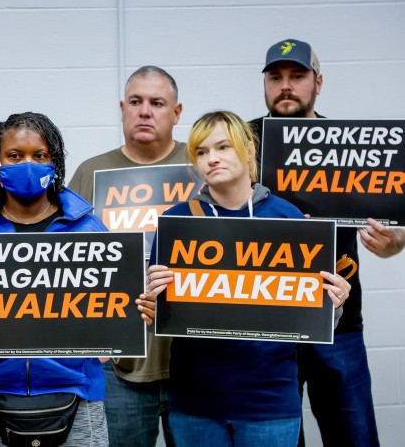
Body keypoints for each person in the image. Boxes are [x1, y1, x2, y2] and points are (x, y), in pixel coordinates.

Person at [0, 111, 160, 446]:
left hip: (77, 398)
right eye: (14, 156)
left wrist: (136, 319)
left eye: (39, 155)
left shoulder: (91, 230)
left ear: (55, 162)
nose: (27, 164)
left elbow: (114, 320)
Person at [147, 110, 351, 447]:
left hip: (269, 402)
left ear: (248, 150)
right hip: (195, 403)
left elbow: (315, 315)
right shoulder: (176, 221)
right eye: (202, 151)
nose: (212, 158)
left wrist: (335, 305)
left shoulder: (289, 217)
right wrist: (150, 302)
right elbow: (158, 315)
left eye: (223, 147)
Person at [249, 38, 404, 446]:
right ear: (264, 83)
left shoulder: (347, 142)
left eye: (297, 77)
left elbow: (394, 221)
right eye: (276, 77)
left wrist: (394, 243)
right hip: (264, 319)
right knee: (276, 438)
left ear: (318, 82)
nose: (286, 86)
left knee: (354, 436)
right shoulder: (242, 142)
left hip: (338, 318)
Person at [68, 65, 184, 446]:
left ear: (177, 112)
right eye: (135, 101)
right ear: (122, 108)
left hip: (196, 365)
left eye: (157, 102)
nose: (145, 111)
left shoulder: (202, 166)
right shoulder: (91, 171)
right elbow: (65, 261)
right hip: (120, 370)